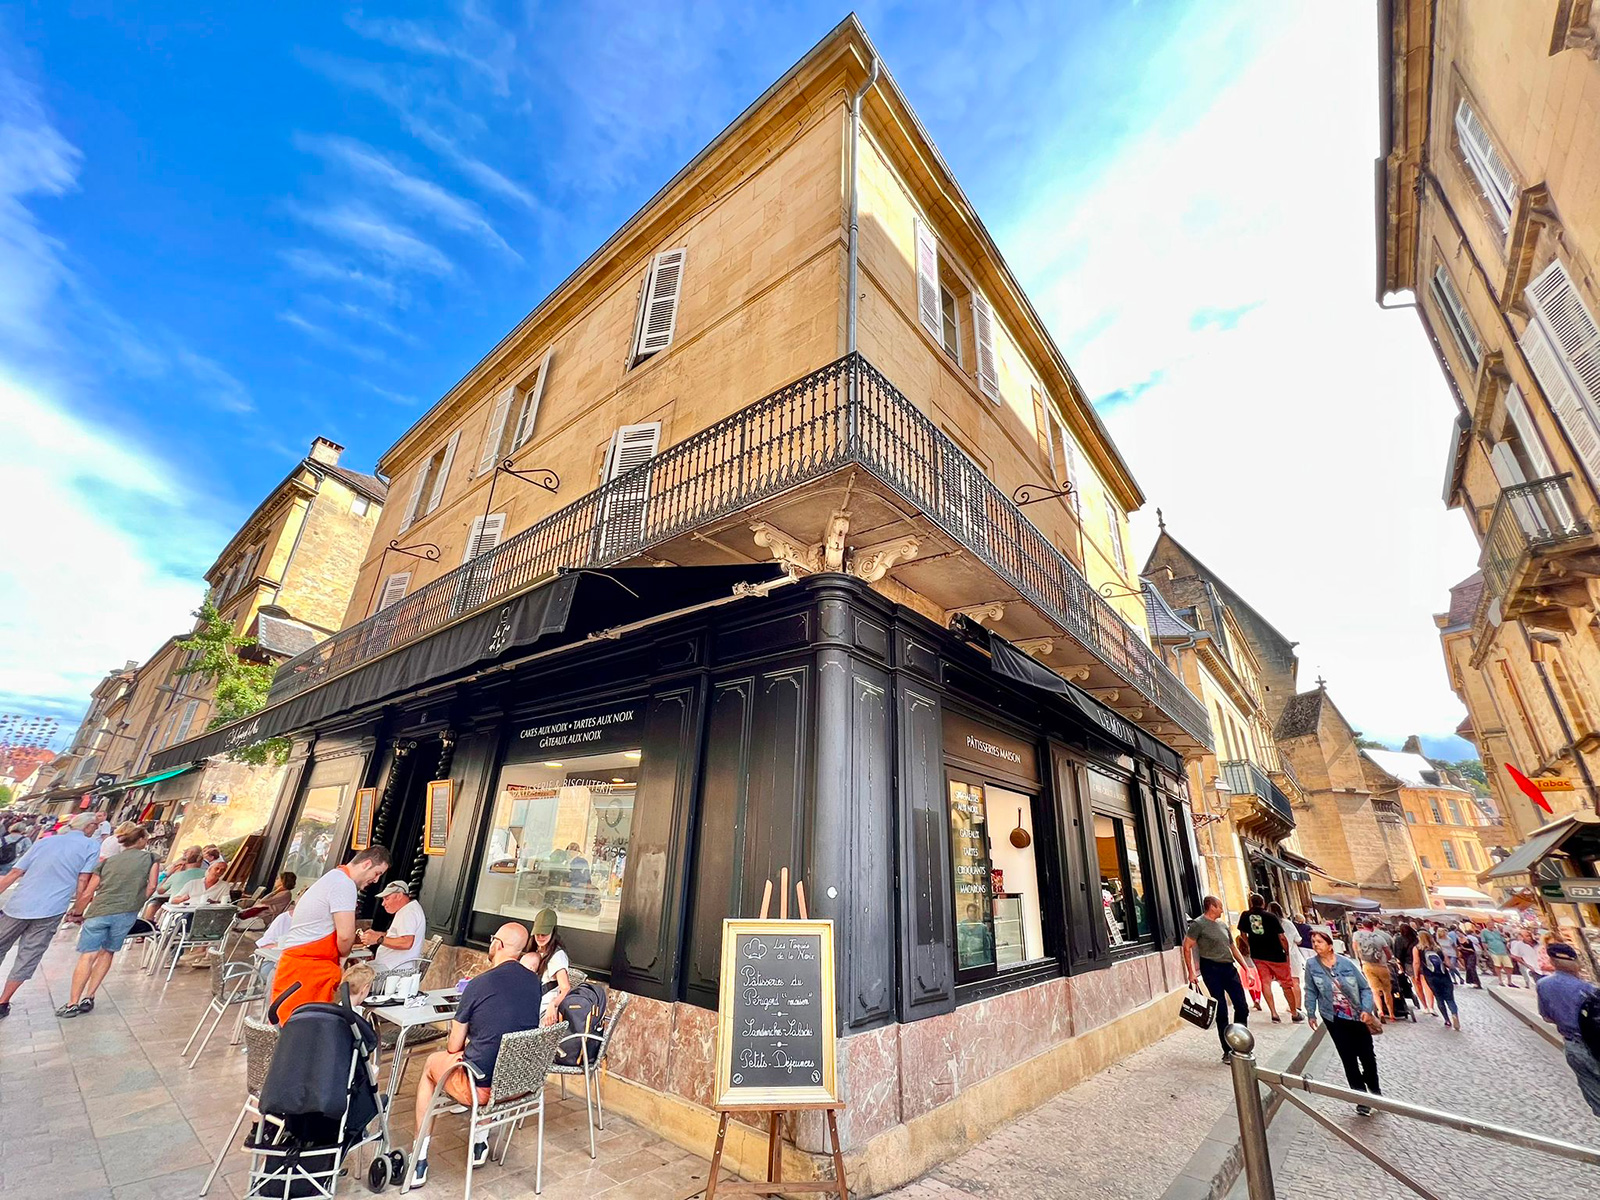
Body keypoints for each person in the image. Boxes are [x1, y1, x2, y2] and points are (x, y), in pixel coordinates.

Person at [409, 922, 540, 1188]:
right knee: (492, 1057)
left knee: (432, 1064)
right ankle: (480, 1141)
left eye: (493, 939)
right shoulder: (534, 983)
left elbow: (453, 1046)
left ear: (498, 945)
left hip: (481, 1089)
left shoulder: (479, 985)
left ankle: (419, 1157)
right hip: (521, 1085)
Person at [269, 845, 391, 1021]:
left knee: (292, 1024)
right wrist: (342, 959)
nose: (376, 880)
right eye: (377, 873)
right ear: (366, 864)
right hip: (309, 969)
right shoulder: (344, 884)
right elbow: (346, 935)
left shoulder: (334, 877)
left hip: (300, 965)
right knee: (305, 1026)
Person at [0, 813, 100, 1018]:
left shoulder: (45, 842)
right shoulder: (91, 846)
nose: (97, 829)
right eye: (96, 826)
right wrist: (78, 909)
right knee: (29, 954)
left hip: (20, 903)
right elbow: (83, 879)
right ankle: (3, 1001)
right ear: (89, 826)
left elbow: (15, 873)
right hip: (52, 907)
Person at [55, 823, 159, 1017]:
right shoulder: (151, 858)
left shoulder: (107, 862)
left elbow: (88, 892)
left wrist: (77, 912)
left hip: (100, 910)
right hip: (126, 912)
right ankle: (89, 996)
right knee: (107, 952)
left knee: (87, 956)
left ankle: (72, 1002)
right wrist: (137, 901)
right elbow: (152, 886)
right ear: (140, 840)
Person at [1303, 929, 1383, 1113]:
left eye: (1319, 941)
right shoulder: (1312, 965)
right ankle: (1361, 1097)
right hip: (1333, 1017)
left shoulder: (1346, 963)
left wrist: (1366, 1010)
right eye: (1313, 942)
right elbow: (1311, 990)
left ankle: (1374, 1089)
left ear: (1330, 945)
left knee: (1367, 1056)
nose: (1315, 945)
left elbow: (1364, 988)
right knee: (1348, 1058)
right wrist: (1311, 1013)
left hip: (1357, 1016)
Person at [1183, 895, 1255, 1063]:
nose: (1222, 910)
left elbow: (1233, 948)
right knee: (1221, 1009)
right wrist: (1191, 972)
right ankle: (1227, 1050)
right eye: (1220, 906)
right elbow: (1187, 947)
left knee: (1242, 1006)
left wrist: (1246, 969)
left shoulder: (1222, 925)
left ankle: (1239, 1041)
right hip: (1211, 968)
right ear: (1212, 907)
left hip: (1228, 967)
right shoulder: (1198, 924)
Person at [1537, 942, 1600, 1117]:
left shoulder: (1543, 985)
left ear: (1552, 961)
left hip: (1574, 1046)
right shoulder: (1588, 989)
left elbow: (1546, 1016)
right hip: (1595, 1045)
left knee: (1595, 1096)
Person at [1238, 894, 1300, 1023]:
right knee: (1286, 984)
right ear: (1263, 903)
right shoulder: (1271, 917)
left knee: (1265, 983)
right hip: (1276, 954)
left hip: (1258, 955)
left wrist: (1249, 945)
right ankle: (1294, 1013)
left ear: (1251, 903)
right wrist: (1286, 952)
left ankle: (1274, 1013)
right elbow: (1281, 937)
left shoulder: (1245, 915)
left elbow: (1243, 934)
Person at [520, 906, 572, 1025]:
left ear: (552, 932)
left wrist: (553, 1004)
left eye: (544, 934)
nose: (540, 937)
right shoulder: (534, 950)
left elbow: (565, 988)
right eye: (537, 933)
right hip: (528, 1004)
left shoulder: (557, 955)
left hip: (542, 1013)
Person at [361, 880, 427, 973]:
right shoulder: (406, 910)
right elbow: (396, 936)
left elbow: (406, 942)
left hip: (395, 970)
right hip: (389, 966)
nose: (383, 903)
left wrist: (378, 939)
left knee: (354, 974)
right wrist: (376, 934)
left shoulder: (409, 912)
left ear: (399, 896)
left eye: (387, 899)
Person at [1353, 917, 1397, 1022]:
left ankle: (1380, 1011)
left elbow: (1355, 948)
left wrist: (1360, 959)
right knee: (1387, 990)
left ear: (1362, 926)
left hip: (1367, 965)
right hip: (1381, 966)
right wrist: (1387, 959)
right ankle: (1391, 1014)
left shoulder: (1357, 935)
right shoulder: (1379, 938)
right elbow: (1388, 953)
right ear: (1372, 926)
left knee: (1374, 990)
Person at [1415, 930, 1461, 1030]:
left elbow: (1416, 963)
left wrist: (1416, 975)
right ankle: (1454, 1014)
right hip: (1444, 975)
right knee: (1450, 999)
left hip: (1431, 977)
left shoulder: (1418, 949)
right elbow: (1448, 963)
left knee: (1439, 998)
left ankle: (1447, 1020)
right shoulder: (1438, 948)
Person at [142, 846, 205, 918]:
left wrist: (168, 874)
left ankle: (148, 922)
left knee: (154, 904)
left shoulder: (176, 876)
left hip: (176, 907)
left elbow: (160, 890)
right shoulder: (207, 874)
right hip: (199, 905)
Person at [167, 858, 231, 906]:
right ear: (209, 869)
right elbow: (173, 900)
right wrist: (182, 899)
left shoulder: (224, 886)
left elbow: (226, 903)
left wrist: (213, 902)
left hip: (208, 913)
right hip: (189, 911)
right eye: (216, 868)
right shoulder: (193, 883)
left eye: (222, 870)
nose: (218, 871)